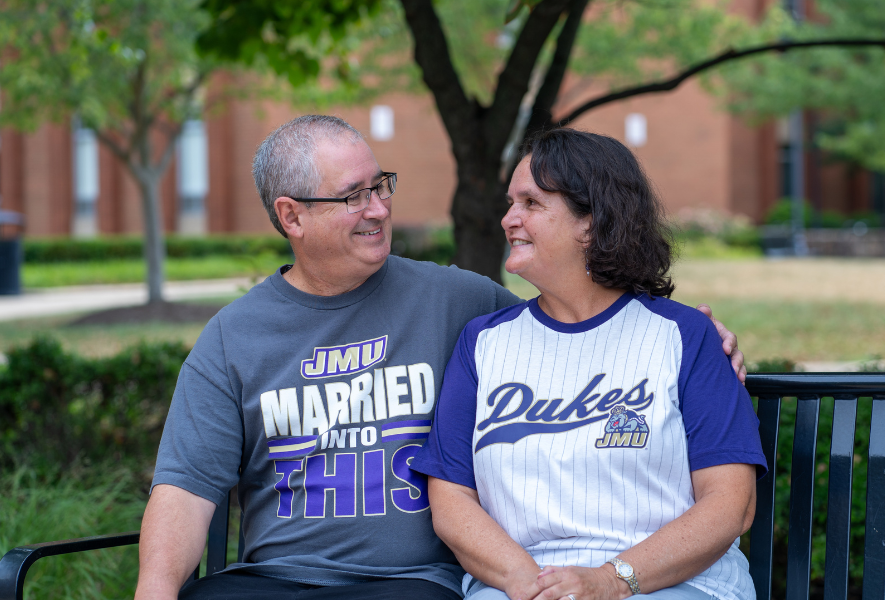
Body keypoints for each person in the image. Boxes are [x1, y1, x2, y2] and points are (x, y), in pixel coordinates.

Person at [135, 116, 747, 600]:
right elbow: (185, 489)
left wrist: (693, 335)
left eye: (380, 186)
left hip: (410, 584)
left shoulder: (458, 303)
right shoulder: (233, 336)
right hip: (277, 579)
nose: (378, 208)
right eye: (353, 196)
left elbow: (584, 313)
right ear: (290, 215)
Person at [411, 128, 767, 600]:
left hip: (673, 583)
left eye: (531, 204)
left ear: (592, 221)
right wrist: (530, 583)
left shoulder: (683, 338)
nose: (508, 219)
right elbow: (452, 498)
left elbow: (730, 505)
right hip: (519, 585)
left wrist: (610, 580)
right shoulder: (483, 343)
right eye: (511, 202)